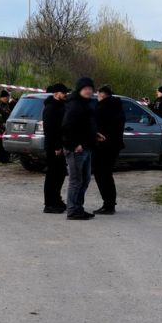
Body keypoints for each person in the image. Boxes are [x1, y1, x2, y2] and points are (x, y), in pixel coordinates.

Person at [62, 77, 102, 219]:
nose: (88, 91)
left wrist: (94, 134)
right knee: (76, 180)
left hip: (87, 146)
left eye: (90, 89)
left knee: (85, 180)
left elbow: (84, 126)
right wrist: (74, 144)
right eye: (85, 89)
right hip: (76, 149)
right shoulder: (74, 105)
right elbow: (67, 127)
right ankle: (72, 210)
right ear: (79, 89)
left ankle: (78, 207)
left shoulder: (86, 104)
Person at [94, 84, 125, 215]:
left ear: (101, 95)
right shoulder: (118, 107)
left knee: (101, 175)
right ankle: (110, 203)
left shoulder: (101, 108)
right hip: (115, 145)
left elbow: (96, 126)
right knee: (107, 175)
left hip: (103, 146)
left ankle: (108, 204)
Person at [41, 83, 69, 213]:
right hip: (53, 147)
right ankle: (49, 204)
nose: (66, 95)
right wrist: (57, 146)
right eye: (64, 93)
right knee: (52, 175)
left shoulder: (61, 106)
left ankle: (57, 199)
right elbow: (50, 130)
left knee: (61, 173)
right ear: (57, 93)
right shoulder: (50, 108)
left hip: (60, 145)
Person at [0, 89, 14, 164]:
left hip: (7, 126)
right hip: (1, 127)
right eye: (6, 98)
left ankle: (6, 159)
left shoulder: (6, 105)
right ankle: (0, 159)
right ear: (3, 97)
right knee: (1, 143)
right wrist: (4, 125)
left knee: (6, 143)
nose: (7, 99)